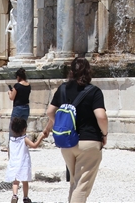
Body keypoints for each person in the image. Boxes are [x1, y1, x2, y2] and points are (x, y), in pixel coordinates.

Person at [43, 57, 108, 203]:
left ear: (71, 71)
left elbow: (49, 112)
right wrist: (104, 134)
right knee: (82, 185)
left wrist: (58, 124)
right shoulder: (94, 91)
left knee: (75, 181)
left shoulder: (62, 89)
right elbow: (101, 116)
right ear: (89, 71)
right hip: (88, 141)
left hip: (66, 142)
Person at [5, 117, 44, 203]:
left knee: (15, 182)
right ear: (24, 129)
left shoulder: (11, 140)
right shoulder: (24, 139)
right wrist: (41, 138)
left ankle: (14, 195)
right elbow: (34, 146)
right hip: (23, 163)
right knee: (25, 181)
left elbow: (9, 151)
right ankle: (25, 197)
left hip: (14, 163)